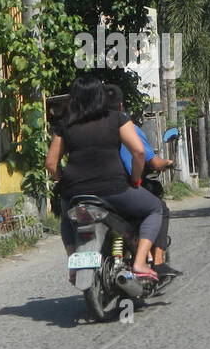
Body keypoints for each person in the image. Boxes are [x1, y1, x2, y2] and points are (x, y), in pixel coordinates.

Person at [45, 76, 167, 283]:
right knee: (156, 208)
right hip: (114, 190)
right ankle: (139, 262)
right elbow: (138, 152)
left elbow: (50, 164)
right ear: (100, 96)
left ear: (73, 98)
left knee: (67, 218)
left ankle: (74, 265)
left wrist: (63, 181)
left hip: (75, 193)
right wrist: (135, 179)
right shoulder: (116, 119)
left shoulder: (65, 125)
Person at [104, 84, 180, 277]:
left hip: (93, 190)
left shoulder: (92, 128)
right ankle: (158, 262)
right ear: (121, 106)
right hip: (123, 186)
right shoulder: (127, 127)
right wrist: (167, 162)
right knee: (159, 208)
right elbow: (151, 161)